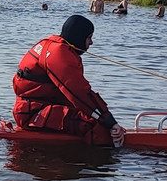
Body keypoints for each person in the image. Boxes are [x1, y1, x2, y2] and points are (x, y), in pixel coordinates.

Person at [11, 15, 125, 147]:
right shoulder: (59, 54)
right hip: (32, 114)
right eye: (89, 38)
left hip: (34, 108)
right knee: (97, 126)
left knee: (92, 116)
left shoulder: (53, 46)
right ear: (79, 37)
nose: (91, 43)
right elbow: (80, 94)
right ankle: (104, 162)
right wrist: (109, 122)